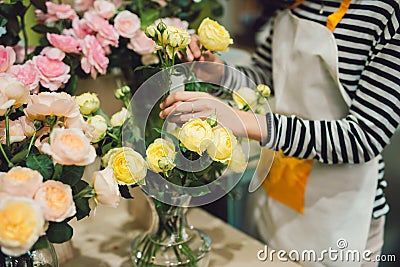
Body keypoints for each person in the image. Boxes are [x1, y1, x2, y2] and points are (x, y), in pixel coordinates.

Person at [159, 0, 400, 266]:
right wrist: (219, 74)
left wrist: (245, 121)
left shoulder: (384, 14)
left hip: (343, 206)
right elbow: (265, 76)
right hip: (281, 188)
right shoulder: (291, 5)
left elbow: (364, 138)